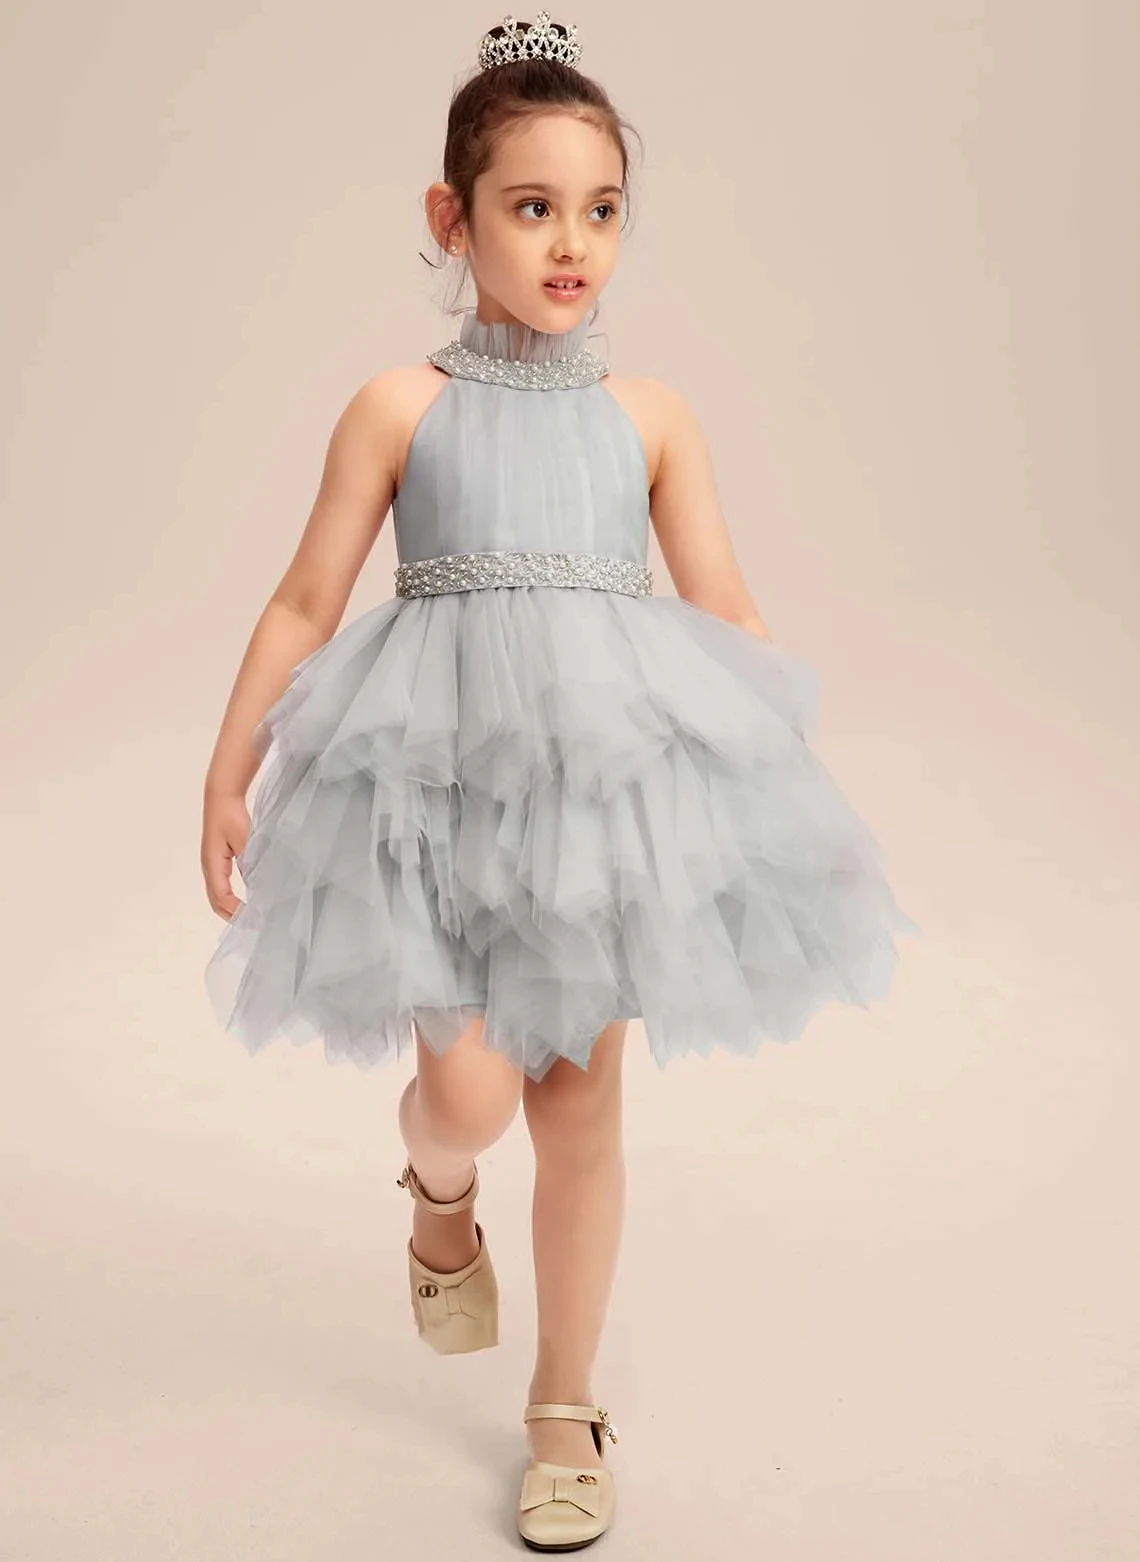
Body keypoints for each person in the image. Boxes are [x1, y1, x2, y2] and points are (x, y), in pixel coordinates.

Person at [200, 10, 919, 1550]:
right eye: (533, 207)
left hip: (596, 809)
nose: (572, 242)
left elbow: (726, 605)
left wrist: (782, 780)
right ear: (452, 218)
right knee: (471, 1091)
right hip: (434, 791)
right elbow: (306, 601)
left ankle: (565, 1403)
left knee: (582, 1114)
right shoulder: (400, 406)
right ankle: (435, 1187)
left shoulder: (648, 418)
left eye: (601, 210)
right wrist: (229, 762)